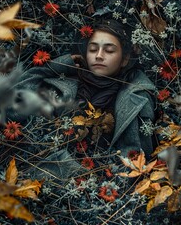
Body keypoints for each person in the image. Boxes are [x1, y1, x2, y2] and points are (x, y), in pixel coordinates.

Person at [13, 18, 156, 180]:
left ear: (124, 59)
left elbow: (136, 156)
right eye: (93, 49)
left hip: (102, 187)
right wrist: (57, 66)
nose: (99, 56)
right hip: (45, 176)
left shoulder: (137, 97)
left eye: (109, 51)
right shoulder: (63, 84)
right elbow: (14, 103)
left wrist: (93, 177)